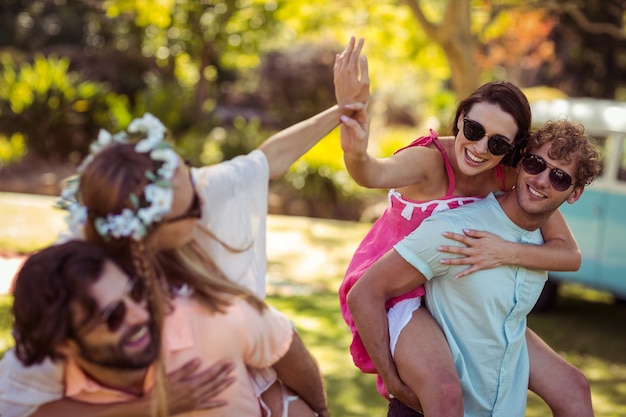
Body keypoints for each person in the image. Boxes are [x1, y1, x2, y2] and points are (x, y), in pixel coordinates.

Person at [0, 72, 367, 416]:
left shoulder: (176, 191)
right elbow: (21, 406)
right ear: (147, 233)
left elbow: (266, 160)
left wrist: (342, 111)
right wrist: (149, 406)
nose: (202, 203)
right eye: (193, 207)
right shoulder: (80, 286)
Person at [334, 38, 593, 416]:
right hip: (398, 287)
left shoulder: (509, 177)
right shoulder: (429, 163)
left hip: (446, 286)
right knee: (444, 393)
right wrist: (355, 150)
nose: (480, 147)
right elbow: (371, 173)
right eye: (473, 129)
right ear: (459, 120)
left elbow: (569, 254)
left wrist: (505, 251)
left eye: (499, 142)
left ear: (512, 152)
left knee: (574, 387)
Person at [11, 240, 327, 417]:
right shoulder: (54, 386)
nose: (140, 315)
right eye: (113, 315)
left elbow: (285, 343)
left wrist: (321, 411)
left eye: (135, 292)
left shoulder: (215, 317)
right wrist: (150, 407)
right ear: (63, 345)